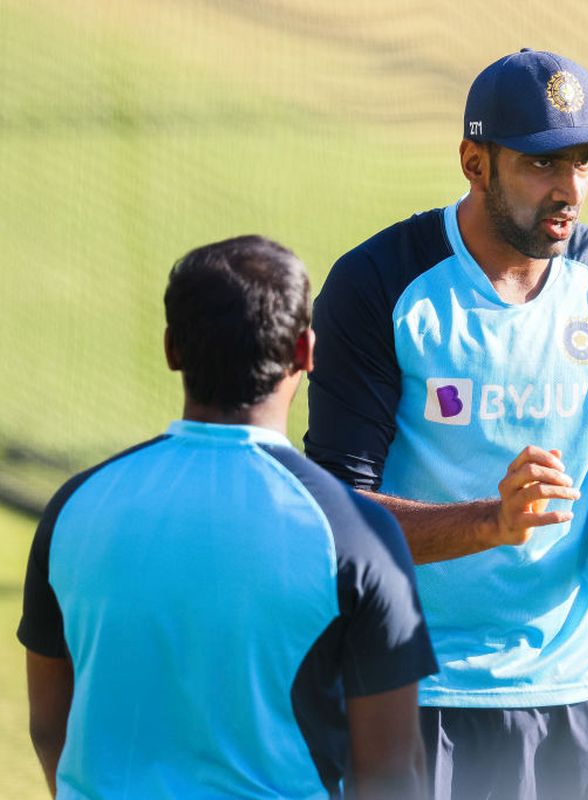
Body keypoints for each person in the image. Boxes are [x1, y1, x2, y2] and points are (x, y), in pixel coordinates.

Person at [305, 49, 588, 799]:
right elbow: (339, 515)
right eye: (540, 165)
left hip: (573, 688)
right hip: (411, 686)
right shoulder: (380, 283)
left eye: (583, 163)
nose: (569, 190)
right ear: (474, 162)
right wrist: (490, 523)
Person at [19, 236, 438, 799]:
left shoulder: (72, 508)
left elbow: (50, 728)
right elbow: (390, 771)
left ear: (171, 349)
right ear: (305, 352)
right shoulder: (356, 534)